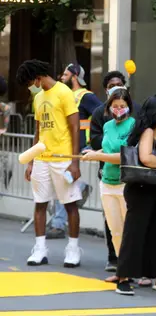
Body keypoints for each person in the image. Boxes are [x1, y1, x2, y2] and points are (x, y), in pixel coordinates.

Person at [17, 60, 83, 268]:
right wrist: (30, 161)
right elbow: (38, 131)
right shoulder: (38, 98)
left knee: (70, 204)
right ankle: (40, 249)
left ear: (37, 77)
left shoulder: (64, 92)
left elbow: (75, 127)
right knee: (40, 203)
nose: (30, 86)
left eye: (30, 82)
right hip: (41, 159)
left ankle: (73, 249)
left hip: (62, 158)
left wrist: (75, 161)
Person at [114, 95, 156, 295]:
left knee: (155, 232)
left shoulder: (152, 131)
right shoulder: (148, 132)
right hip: (140, 189)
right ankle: (123, 278)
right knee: (133, 234)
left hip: (147, 190)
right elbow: (146, 158)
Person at [80, 89, 134, 281]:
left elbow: (125, 155)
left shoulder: (133, 125)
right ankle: (123, 272)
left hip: (125, 184)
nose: (119, 109)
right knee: (115, 230)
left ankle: (137, 269)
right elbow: (108, 148)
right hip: (107, 183)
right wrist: (93, 153)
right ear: (109, 107)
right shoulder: (108, 126)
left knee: (130, 230)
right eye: (115, 106)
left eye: (122, 106)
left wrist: (98, 155)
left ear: (129, 106)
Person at [47, 63, 100, 240]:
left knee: (64, 182)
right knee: (62, 183)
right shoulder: (63, 95)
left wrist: (95, 141)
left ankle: (58, 225)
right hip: (63, 146)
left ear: (75, 77)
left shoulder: (86, 97)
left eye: (65, 74)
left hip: (76, 148)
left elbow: (103, 115)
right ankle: (82, 188)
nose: (62, 77)